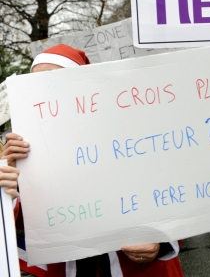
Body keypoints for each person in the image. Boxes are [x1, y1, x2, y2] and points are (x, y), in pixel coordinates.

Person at [2, 44, 184, 277]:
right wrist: (8, 180)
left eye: (56, 79)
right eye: (37, 82)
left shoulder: (131, 134)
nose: (46, 89)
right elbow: (17, 226)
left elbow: (177, 197)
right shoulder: (22, 148)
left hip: (139, 268)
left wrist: (161, 243)